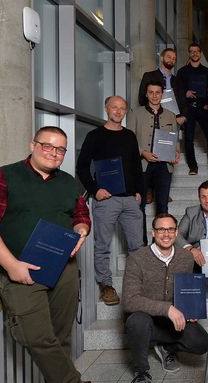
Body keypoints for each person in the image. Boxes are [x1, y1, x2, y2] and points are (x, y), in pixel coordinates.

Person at [0, 126, 96, 383]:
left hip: (63, 268)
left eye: (60, 149)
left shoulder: (68, 182)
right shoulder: (4, 177)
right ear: (33, 145)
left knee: (60, 337)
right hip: (20, 270)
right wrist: (10, 265)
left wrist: (81, 229)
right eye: (47, 146)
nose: (54, 153)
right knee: (37, 336)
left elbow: (81, 214)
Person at [122, 213, 208, 383]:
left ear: (176, 233)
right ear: (153, 233)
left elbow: (186, 290)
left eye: (170, 229)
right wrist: (167, 308)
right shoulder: (137, 258)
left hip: (170, 321)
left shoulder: (186, 258)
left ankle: (167, 347)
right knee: (137, 322)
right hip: (145, 318)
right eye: (161, 229)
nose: (166, 234)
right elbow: (130, 300)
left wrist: (190, 309)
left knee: (201, 342)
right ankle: (140, 372)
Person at [76, 95, 144, 306]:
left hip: (130, 200)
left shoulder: (129, 136)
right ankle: (106, 285)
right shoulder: (95, 136)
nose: (118, 111)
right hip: (107, 200)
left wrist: (139, 191)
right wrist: (95, 190)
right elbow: (82, 167)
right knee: (103, 245)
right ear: (106, 108)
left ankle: (136, 285)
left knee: (137, 247)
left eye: (122, 108)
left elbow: (136, 166)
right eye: (114, 107)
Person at [134, 80, 181, 229]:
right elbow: (130, 140)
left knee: (162, 205)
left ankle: (160, 240)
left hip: (164, 166)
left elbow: (175, 139)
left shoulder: (171, 115)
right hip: (143, 165)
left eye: (158, 92)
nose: (154, 96)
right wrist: (143, 153)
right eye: (151, 92)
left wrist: (176, 153)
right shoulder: (135, 113)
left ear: (162, 94)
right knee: (139, 205)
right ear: (146, 94)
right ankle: (142, 241)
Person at [177, 43, 208, 175]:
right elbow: (177, 91)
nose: (194, 53)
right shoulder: (182, 72)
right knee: (188, 138)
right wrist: (185, 93)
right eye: (192, 51)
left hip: (203, 108)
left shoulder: (207, 72)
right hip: (188, 108)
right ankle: (193, 167)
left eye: (197, 51)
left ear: (200, 53)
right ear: (189, 53)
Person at [138, 47, 187, 127]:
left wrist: (184, 117)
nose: (171, 60)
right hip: (152, 118)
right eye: (169, 57)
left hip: (174, 120)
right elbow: (142, 98)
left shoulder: (178, 80)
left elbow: (183, 100)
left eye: (174, 59)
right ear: (161, 58)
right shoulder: (149, 76)